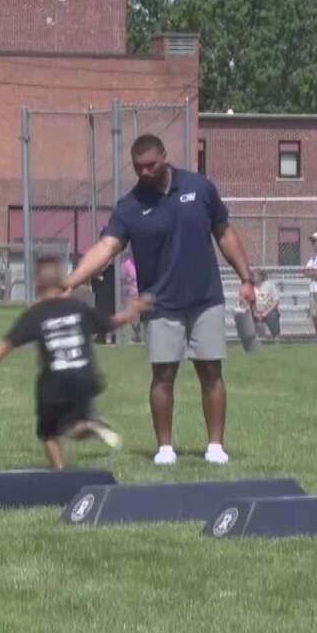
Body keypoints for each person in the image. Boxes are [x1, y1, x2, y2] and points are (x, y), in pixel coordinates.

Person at [64, 134, 256, 466]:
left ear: (165, 157)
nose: (145, 172)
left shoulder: (199, 188)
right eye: (138, 167)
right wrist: (71, 282)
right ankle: (165, 448)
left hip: (205, 297)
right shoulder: (130, 206)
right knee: (163, 375)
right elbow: (106, 248)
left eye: (151, 165)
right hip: (160, 303)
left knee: (211, 371)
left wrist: (246, 278)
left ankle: (215, 446)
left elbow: (224, 233)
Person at [0, 257, 149, 469]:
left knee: (49, 433)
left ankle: (59, 471)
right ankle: (88, 422)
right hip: (85, 378)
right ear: (62, 283)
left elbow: (7, 344)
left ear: (38, 284)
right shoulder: (79, 308)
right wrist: (133, 310)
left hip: (55, 382)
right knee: (76, 424)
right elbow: (111, 323)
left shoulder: (35, 314)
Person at [252, 269, 281, 342]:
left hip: (268, 310)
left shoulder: (269, 285)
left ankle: (276, 337)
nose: (252, 277)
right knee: (247, 315)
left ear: (260, 277)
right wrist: (255, 312)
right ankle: (259, 338)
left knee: (272, 315)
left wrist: (266, 312)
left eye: (254, 276)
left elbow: (276, 300)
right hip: (256, 311)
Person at [122, 254, 141, 342]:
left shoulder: (141, 262)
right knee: (133, 317)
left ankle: (138, 334)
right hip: (132, 293)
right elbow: (123, 279)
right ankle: (135, 334)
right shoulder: (127, 264)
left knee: (142, 316)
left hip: (142, 293)